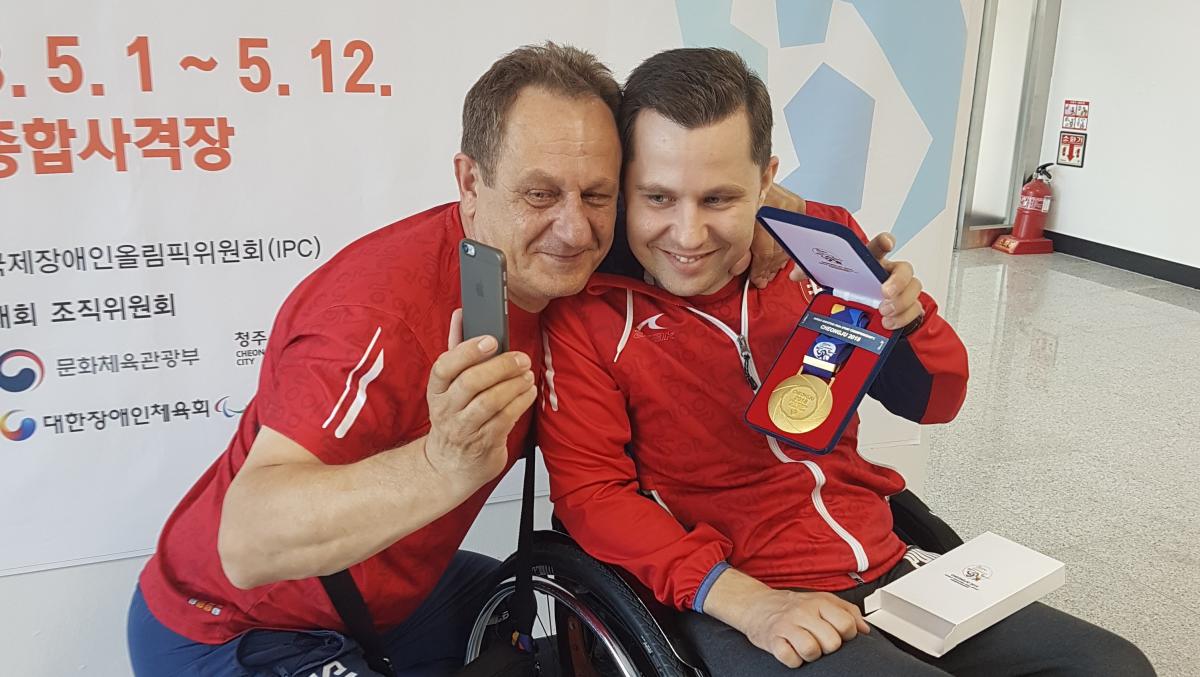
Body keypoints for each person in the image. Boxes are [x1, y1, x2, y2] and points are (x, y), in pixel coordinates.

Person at [538, 47, 1155, 676]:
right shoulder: (588, 308)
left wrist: (910, 322)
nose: (689, 235)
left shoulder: (821, 246)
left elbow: (934, 403)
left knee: (1113, 666)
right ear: (622, 190)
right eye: (659, 198)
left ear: (766, 178)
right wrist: (751, 604)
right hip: (728, 595)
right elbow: (594, 496)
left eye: (720, 198)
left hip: (883, 560)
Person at [127, 42, 624, 676]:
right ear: (472, 183)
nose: (576, 229)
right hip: (233, 622)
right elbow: (248, 542)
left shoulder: (568, 264)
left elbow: (688, 221)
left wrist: (773, 213)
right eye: (540, 194)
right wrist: (442, 464)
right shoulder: (379, 311)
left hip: (392, 599)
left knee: (582, 634)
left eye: (598, 195)